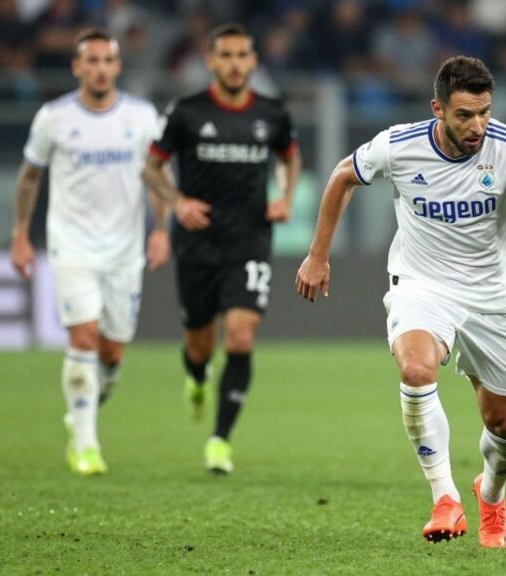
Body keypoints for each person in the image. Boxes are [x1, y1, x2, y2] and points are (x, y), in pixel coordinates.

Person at [296, 55, 506, 548]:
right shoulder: (399, 146)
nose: (478, 125)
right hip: (422, 284)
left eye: (484, 112)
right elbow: (340, 177)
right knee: (417, 370)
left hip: (490, 296)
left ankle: (492, 493)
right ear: (437, 109)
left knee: (502, 424)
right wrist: (318, 255)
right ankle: (444, 498)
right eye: (465, 115)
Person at [141, 22, 302, 475]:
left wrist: (285, 197)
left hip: (249, 238)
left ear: (253, 61)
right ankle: (195, 378)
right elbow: (152, 169)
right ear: (211, 61)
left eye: (242, 55)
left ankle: (219, 440)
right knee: (198, 342)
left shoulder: (272, 113)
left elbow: (290, 156)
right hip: (196, 240)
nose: (234, 64)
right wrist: (178, 202)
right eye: (225, 56)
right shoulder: (187, 111)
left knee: (241, 334)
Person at [10, 27, 168, 476]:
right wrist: (20, 233)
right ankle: (85, 444)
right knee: (82, 339)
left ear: (118, 66)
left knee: (112, 353)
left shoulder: (141, 117)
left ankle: (84, 408)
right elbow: (29, 178)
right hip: (72, 245)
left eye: (108, 61)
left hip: (124, 249)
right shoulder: (53, 118)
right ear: (77, 67)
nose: (100, 69)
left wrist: (161, 230)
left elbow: (156, 176)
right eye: (91, 61)